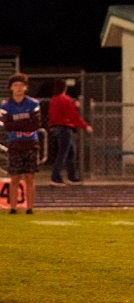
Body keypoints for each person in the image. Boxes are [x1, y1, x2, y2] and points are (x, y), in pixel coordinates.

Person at [1, 73, 42, 214]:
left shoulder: (33, 103)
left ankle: (30, 208)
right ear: (11, 88)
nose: (18, 88)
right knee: (14, 177)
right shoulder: (6, 105)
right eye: (15, 85)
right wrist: (25, 122)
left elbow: (35, 124)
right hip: (15, 145)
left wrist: (17, 123)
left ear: (26, 87)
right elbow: (8, 126)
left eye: (21, 85)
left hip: (31, 144)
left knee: (30, 177)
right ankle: (13, 208)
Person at [48, 78, 92, 185]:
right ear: (65, 88)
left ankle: (72, 177)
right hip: (64, 128)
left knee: (70, 152)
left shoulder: (54, 99)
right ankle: (56, 177)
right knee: (63, 153)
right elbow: (73, 115)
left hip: (56, 127)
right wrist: (85, 126)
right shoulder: (65, 99)